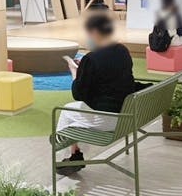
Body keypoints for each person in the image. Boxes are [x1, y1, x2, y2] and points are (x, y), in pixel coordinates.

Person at [55, 13, 150, 175]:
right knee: (72, 111)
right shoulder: (122, 50)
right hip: (127, 112)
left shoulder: (91, 59)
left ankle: (70, 156)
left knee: (66, 112)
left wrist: (75, 72)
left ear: (95, 32)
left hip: (109, 119)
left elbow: (78, 94)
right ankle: (74, 154)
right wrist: (84, 69)